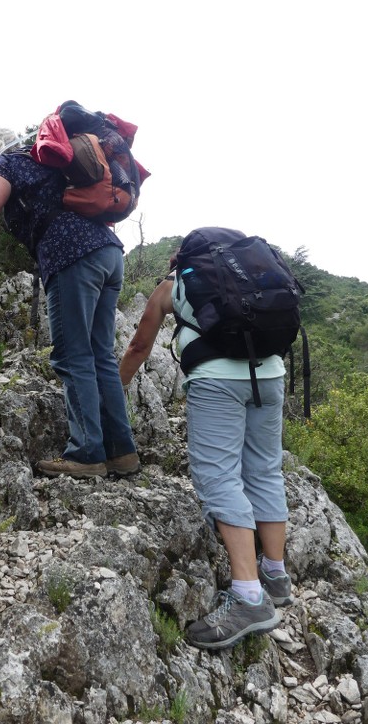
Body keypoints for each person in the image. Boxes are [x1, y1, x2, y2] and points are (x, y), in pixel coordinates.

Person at [0, 127, 140, 480]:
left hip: (73, 256)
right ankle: (122, 452)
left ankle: (87, 454)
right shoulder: (43, 157)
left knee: (73, 355)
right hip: (109, 253)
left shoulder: (5, 164)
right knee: (100, 356)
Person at [119, 246, 294, 650]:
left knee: (218, 477)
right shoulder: (249, 282)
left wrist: (120, 387)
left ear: (178, 261)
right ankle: (275, 575)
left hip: (217, 381)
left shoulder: (172, 286)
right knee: (266, 470)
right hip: (270, 374)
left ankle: (250, 597)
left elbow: (139, 348)